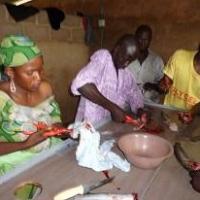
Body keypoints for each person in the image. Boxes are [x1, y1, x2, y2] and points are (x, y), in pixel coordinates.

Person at [0, 34, 64, 175]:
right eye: (30, 73)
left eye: (40, 70)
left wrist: (60, 130)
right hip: (14, 167)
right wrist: (25, 144)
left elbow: (56, 119)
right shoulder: (2, 100)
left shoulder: (45, 89)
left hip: (49, 156)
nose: (38, 78)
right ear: (10, 72)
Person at [71, 34, 147, 125]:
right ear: (117, 49)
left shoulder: (125, 73)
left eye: (130, 61)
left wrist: (140, 111)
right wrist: (113, 108)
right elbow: (81, 84)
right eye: (126, 58)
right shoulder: (103, 58)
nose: (126, 64)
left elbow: (134, 94)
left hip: (106, 126)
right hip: (89, 127)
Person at [159, 45, 200, 123]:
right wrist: (163, 85)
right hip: (167, 116)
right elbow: (165, 81)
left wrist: (193, 112)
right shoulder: (179, 56)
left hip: (193, 123)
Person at [128, 25, 164, 103]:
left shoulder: (157, 61)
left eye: (145, 39)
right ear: (135, 38)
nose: (142, 42)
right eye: (140, 39)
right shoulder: (127, 57)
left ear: (150, 40)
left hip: (149, 105)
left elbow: (163, 88)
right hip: (127, 103)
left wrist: (153, 86)